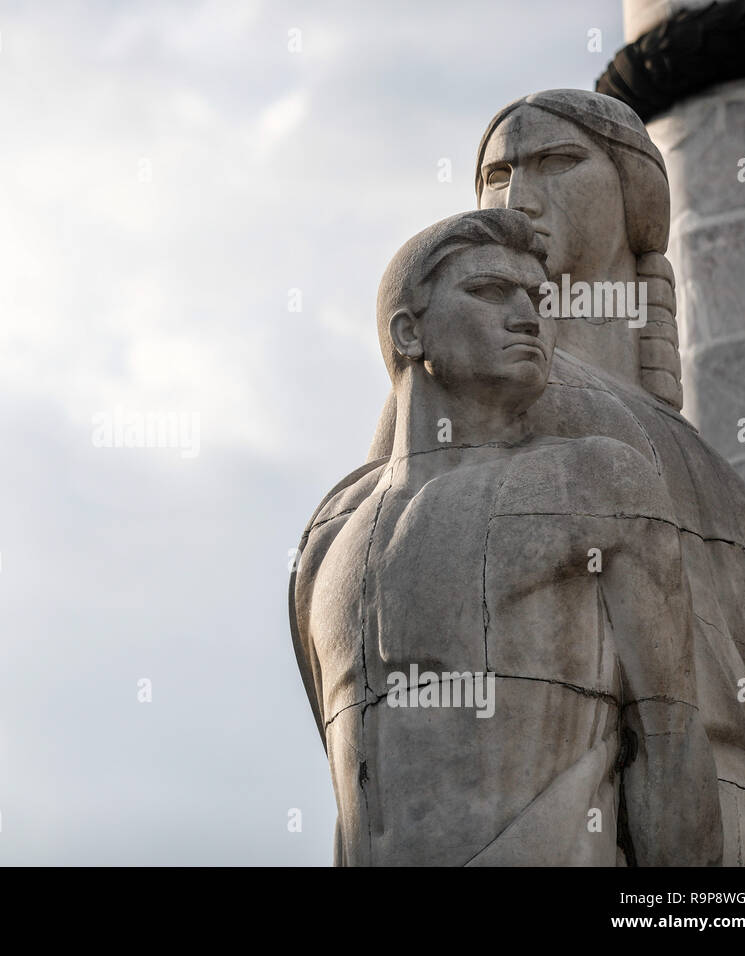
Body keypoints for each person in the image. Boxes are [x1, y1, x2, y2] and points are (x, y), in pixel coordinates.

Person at [292, 208, 721, 865]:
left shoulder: (598, 480)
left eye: (538, 298)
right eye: (490, 292)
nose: (528, 317)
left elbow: (669, 736)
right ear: (409, 330)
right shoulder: (329, 537)